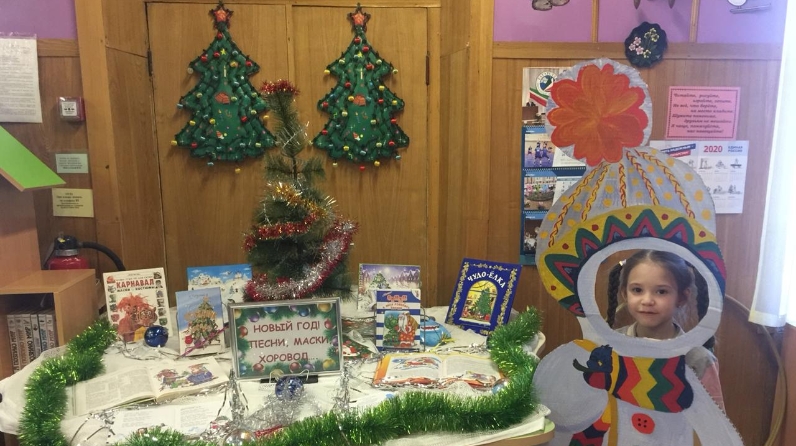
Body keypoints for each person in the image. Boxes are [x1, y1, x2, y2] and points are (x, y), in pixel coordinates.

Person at [605, 249, 725, 410]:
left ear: (681, 298)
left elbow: (713, 419)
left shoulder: (698, 359)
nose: (647, 300)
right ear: (625, 294)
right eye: (637, 290)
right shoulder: (608, 348)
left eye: (661, 291)